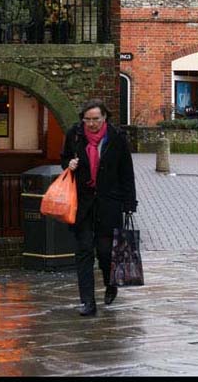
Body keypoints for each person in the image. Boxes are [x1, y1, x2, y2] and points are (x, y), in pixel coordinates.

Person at [61, 99, 138, 317]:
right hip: (83, 204)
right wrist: (70, 164)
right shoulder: (74, 135)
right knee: (84, 250)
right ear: (82, 119)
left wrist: (129, 204)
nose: (92, 124)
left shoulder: (116, 138)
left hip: (109, 204)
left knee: (105, 253)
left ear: (104, 118)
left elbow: (126, 172)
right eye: (88, 119)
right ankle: (87, 301)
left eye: (96, 119)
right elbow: (64, 159)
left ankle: (109, 283)